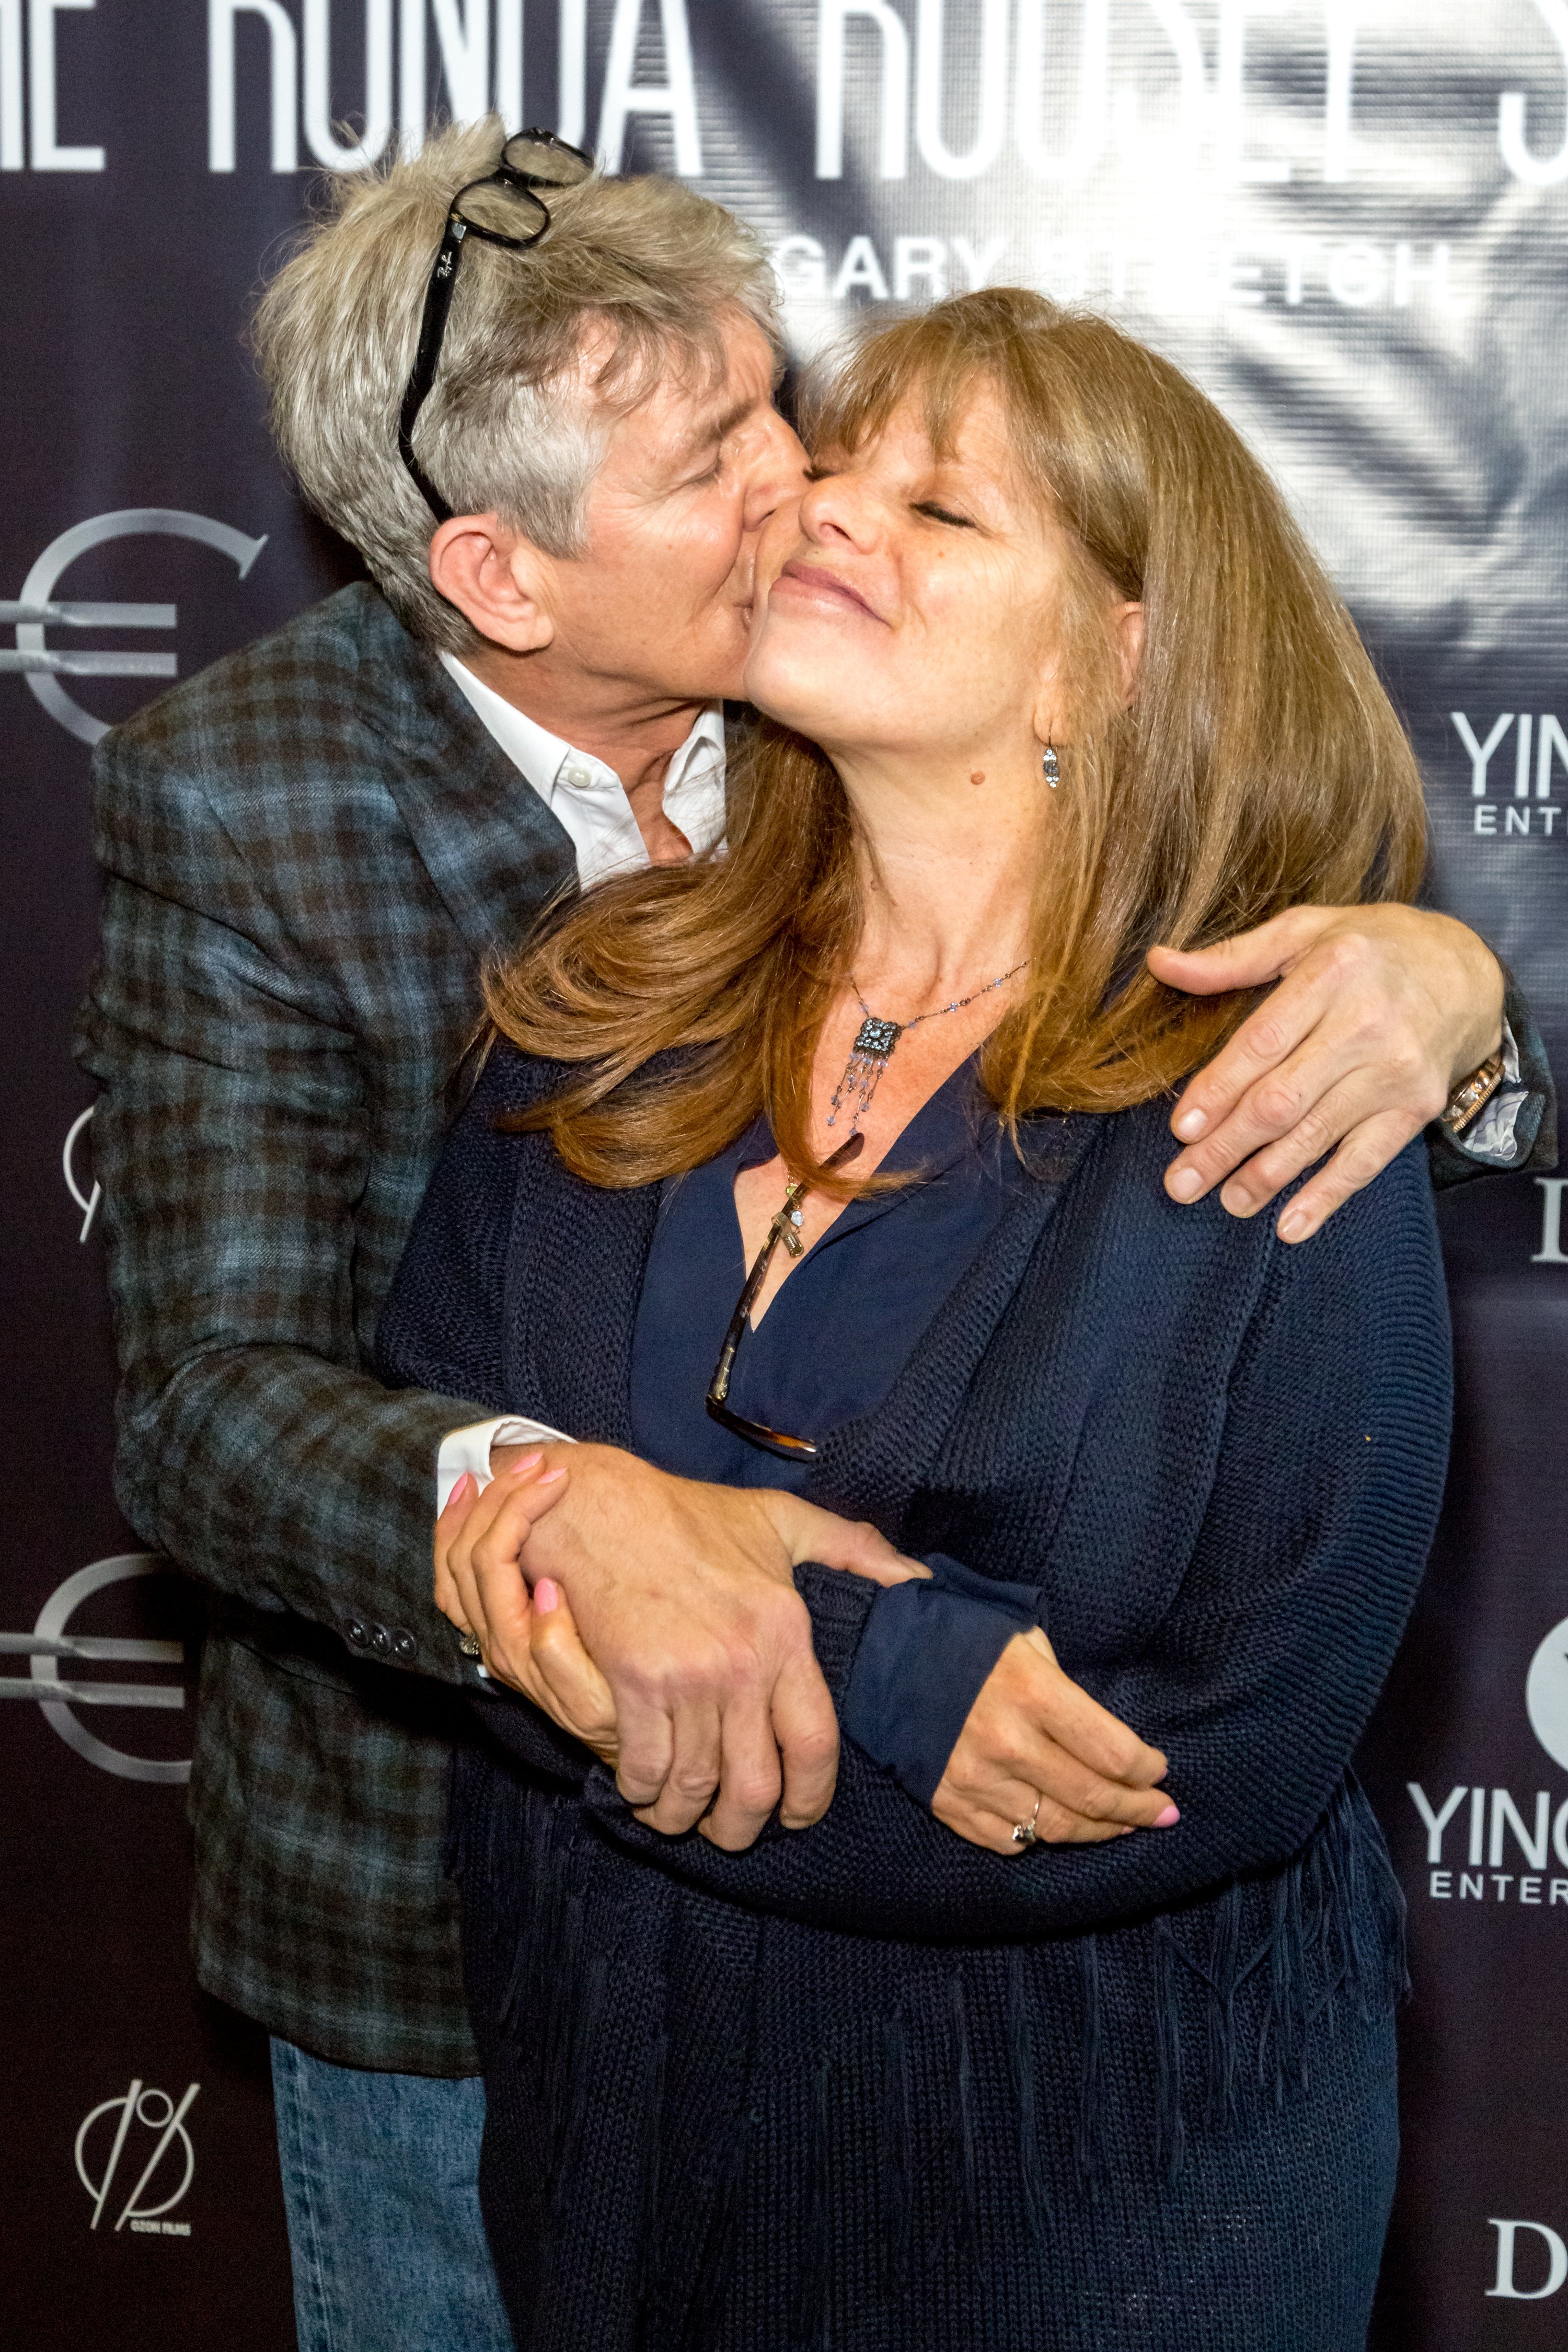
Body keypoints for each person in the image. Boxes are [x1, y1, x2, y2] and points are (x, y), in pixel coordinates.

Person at [74, 120, 1545, 2349]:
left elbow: (1211, 1705)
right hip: (500, 1985)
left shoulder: (962, 804)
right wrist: (574, 1522)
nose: (796, 495)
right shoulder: (384, 876)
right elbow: (212, 1406)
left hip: (1088, 2153)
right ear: (502, 578)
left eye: (800, 414)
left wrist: (1458, 1005)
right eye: (712, 469)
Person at [379, 288, 1467, 2350]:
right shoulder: (608, 992)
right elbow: (463, 1504)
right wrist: (831, 1643)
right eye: (831, 468)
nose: (827, 513)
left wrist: (802, 1652)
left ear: (1122, 654)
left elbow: (1198, 1760)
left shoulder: (1269, 1081)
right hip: (618, 2150)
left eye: (940, 507)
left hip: (1099, 2198)